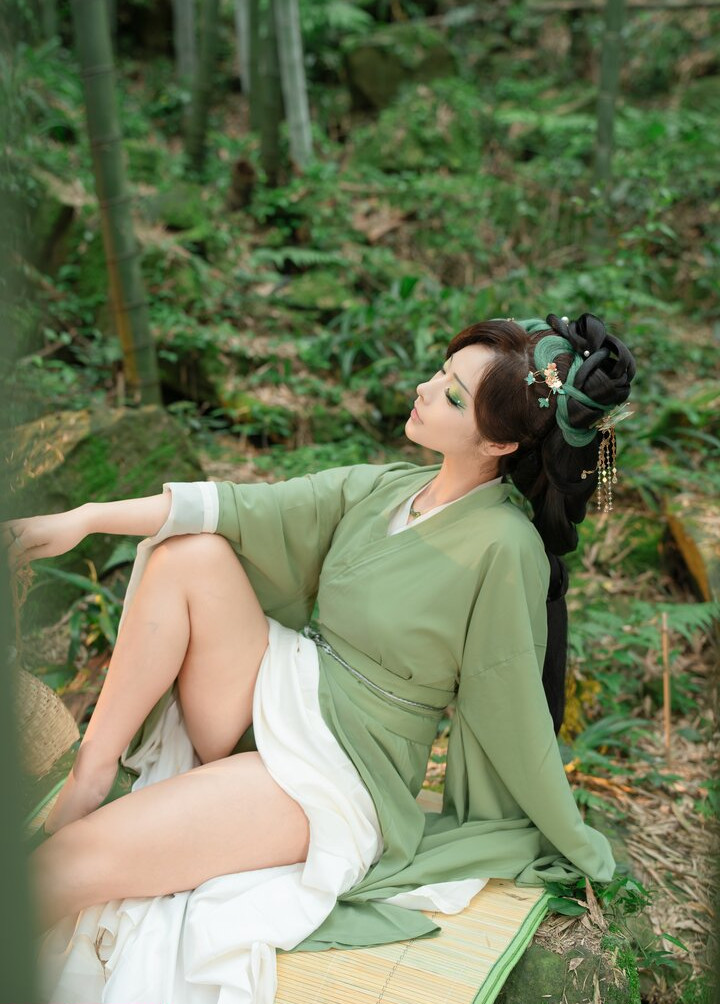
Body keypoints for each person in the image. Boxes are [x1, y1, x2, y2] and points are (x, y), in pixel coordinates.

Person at [3, 313, 636, 1004]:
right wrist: (84, 518)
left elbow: (505, 690)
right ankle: (92, 772)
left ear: (500, 441)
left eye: (453, 396)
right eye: (439, 372)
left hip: (341, 768)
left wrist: (561, 828)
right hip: (290, 687)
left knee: (63, 867)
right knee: (192, 553)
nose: (425, 390)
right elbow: (243, 508)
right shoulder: (388, 487)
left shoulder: (504, 547)